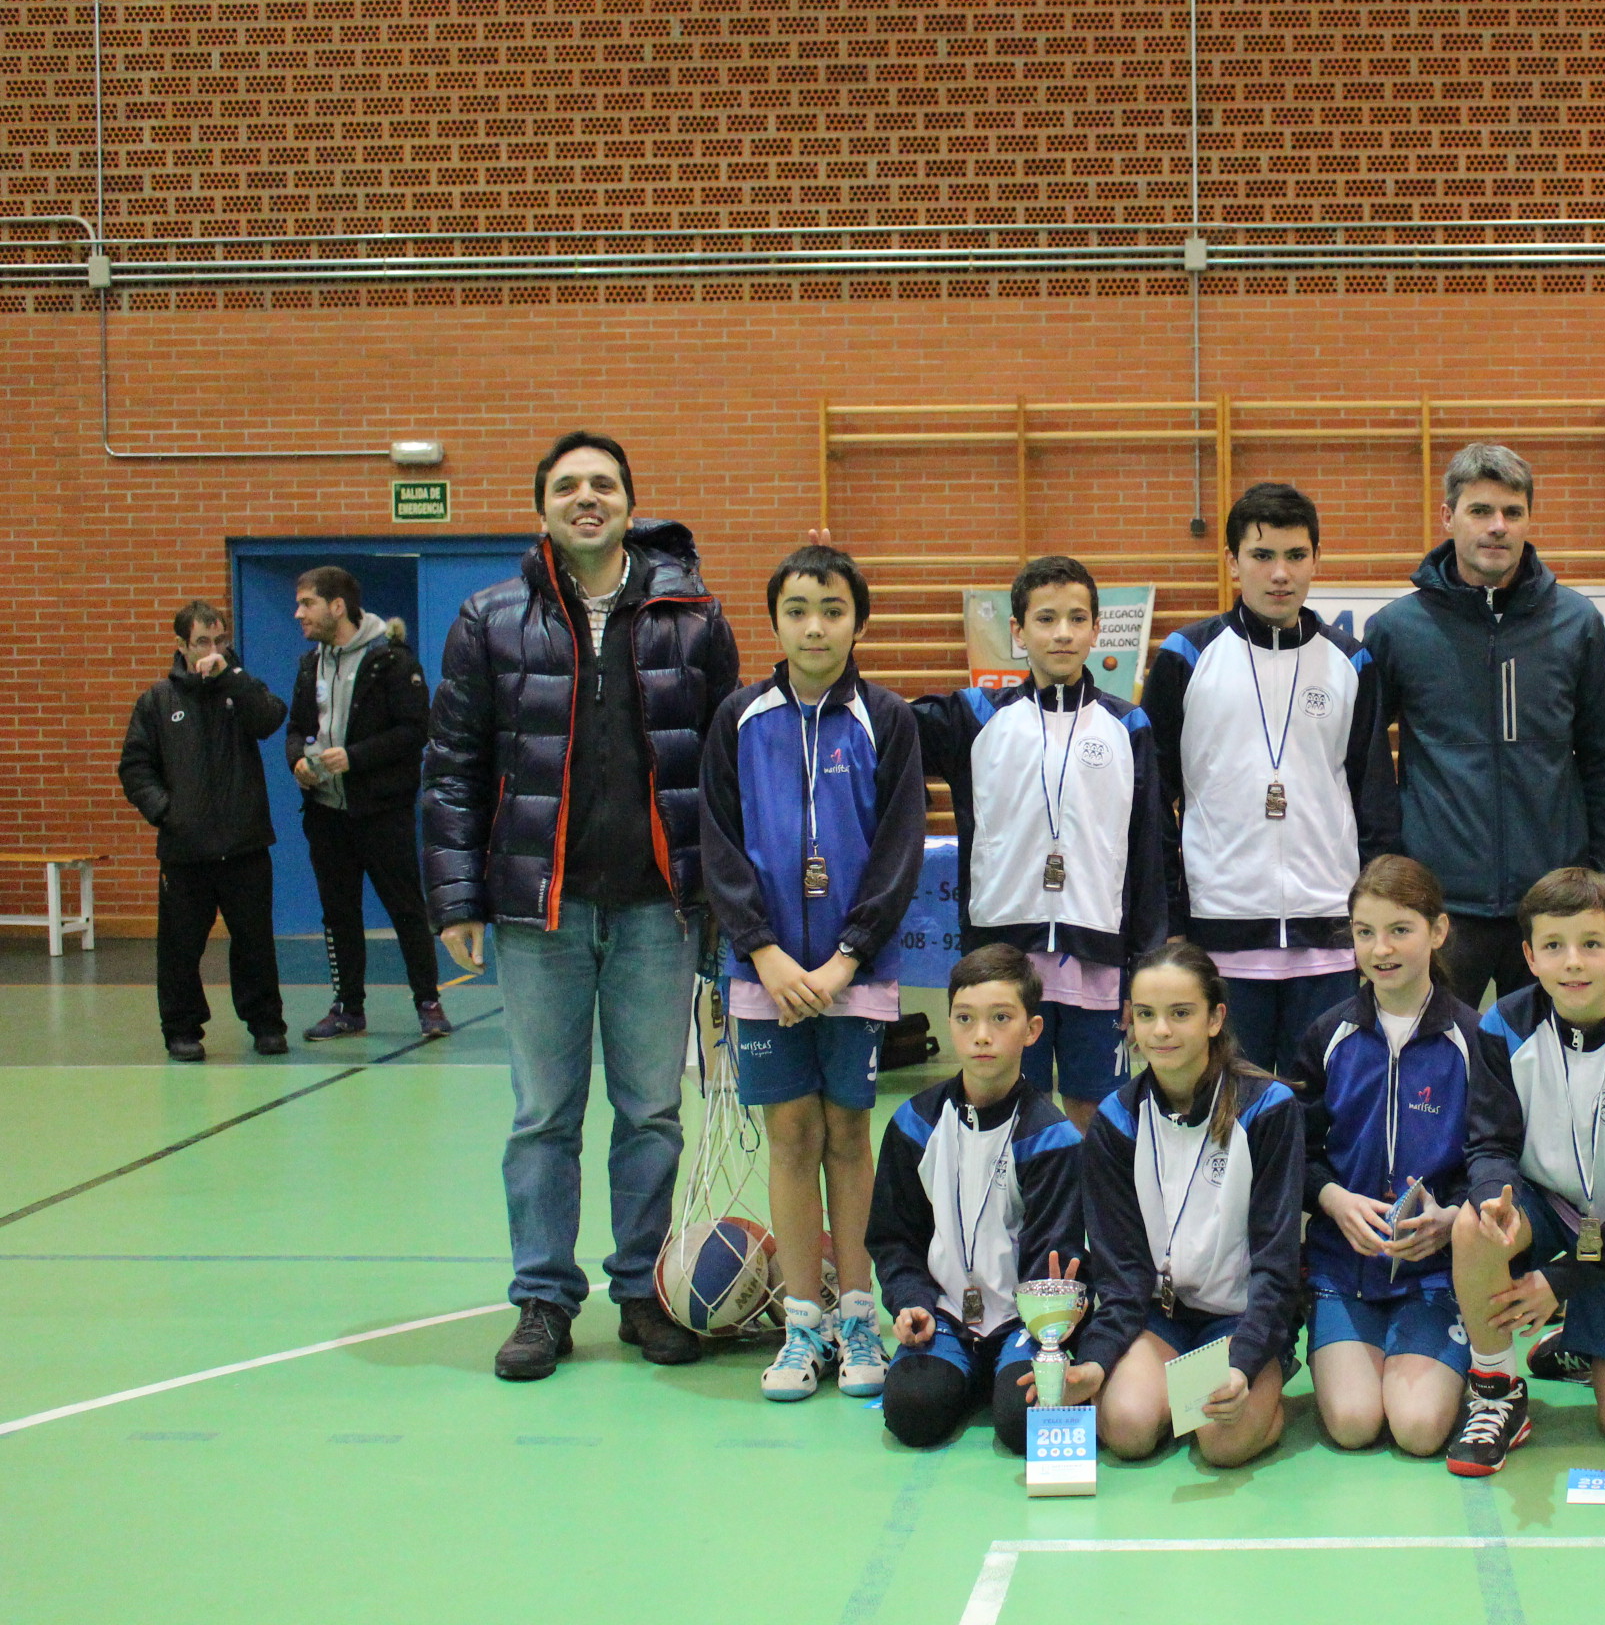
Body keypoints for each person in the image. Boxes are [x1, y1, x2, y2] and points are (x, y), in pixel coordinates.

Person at [422, 430, 741, 1382]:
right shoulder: (490, 618)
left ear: (631, 506)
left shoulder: (694, 617)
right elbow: (453, 770)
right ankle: (543, 1300)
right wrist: (456, 897)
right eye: (568, 486)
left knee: (649, 1110)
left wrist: (721, 901)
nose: (586, 497)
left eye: (604, 483)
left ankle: (641, 1290)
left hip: (657, 912)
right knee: (543, 1115)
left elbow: (722, 771)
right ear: (543, 509)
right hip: (537, 913)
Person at [703, 543, 926, 1400]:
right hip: (764, 971)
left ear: (857, 621)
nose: (815, 625)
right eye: (798, 609)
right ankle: (803, 1323)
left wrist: (844, 960)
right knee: (792, 1138)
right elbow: (719, 847)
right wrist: (762, 948)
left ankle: (858, 1315)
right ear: (776, 621)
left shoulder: (889, 720)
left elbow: (898, 851)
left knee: (848, 1136)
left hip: (853, 973)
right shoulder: (739, 718)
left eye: (832, 609)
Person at [1442, 867, 1605, 1477]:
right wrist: (1491, 1197)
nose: (1572, 962)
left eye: (1591, 944)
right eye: (1553, 946)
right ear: (1528, 956)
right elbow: (1490, 1141)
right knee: (1473, 1226)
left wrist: (1559, 1284)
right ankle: (1496, 1389)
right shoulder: (1501, 1026)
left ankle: (1587, 1340)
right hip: (1544, 1207)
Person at [1366, 444, 1605, 1007]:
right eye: (1480, 511)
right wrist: (1391, 875)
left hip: (1553, 908)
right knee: (1437, 1077)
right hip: (1440, 910)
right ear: (1448, 517)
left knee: (1552, 1079)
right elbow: (1365, 767)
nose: (1497, 527)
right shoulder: (1396, 629)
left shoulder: (1576, 623)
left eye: (1512, 513)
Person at [1144, 482, 1397, 1072]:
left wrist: (1374, 921)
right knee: (1232, 1105)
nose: (1280, 573)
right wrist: (1172, 921)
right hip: (1220, 934)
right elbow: (1154, 801)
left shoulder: (1351, 661)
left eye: (1295, 555)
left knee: (1324, 1111)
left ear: (1316, 559)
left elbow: (1374, 801)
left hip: (1329, 935)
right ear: (1232, 562)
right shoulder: (1187, 656)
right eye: (1261, 556)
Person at [916, 554, 1166, 1128]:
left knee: (1094, 1115)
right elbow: (879, 722)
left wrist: (1143, 969)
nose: (1062, 633)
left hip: (1097, 957)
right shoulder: (976, 718)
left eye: (1078, 619)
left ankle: (1092, 1223)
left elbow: (1148, 854)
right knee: (1009, 1114)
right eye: (1046, 619)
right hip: (1004, 959)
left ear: (1097, 630)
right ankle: (1020, 1223)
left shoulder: (1128, 727)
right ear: (1017, 631)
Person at [1068, 940, 1305, 1467]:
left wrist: (1243, 1364)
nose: (1162, 1031)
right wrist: (1097, 1361)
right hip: (1161, 1318)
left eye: (1180, 1014)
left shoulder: (1269, 1110)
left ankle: (1265, 1391)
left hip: (1240, 1320)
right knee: (1126, 1430)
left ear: (1215, 1018)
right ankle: (1169, 1393)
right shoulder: (1114, 1120)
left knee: (1222, 1444)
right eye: (1146, 1015)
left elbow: (1276, 1260)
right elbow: (1119, 1270)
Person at [1286, 855, 1481, 1458]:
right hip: (1342, 1268)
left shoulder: (1476, 1040)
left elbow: (1499, 1159)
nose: (1381, 948)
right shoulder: (1327, 1036)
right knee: (1352, 1422)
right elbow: (1297, 1153)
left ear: (1438, 932)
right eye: (1365, 932)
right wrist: (1331, 1198)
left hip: (1435, 1272)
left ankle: (1475, 1375)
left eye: (1400, 929)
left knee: (1419, 1430)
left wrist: (1454, 1220)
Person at [868, 943, 1087, 1452]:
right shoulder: (914, 1124)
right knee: (911, 1414)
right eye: (965, 1018)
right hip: (944, 1313)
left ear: (1032, 1031)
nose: (982, 1035)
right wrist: (911, 1305)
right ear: (949, 1023)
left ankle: (993, 1375)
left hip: (1022, 1319)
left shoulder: (1052, 1137)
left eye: (1001, 1018)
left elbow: (1055, 1254)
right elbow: (894, 1237)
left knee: (1021, 1426)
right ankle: (962, 1372)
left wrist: (1041, 1334)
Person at [283, 566, 451, 1043]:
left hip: (382, 812)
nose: (299, 614)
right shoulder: (308, 665)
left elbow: (415, 731)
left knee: (404, 908)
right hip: (325, 813)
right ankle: (347, 1007)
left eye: (307, 603)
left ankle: (429, 1002)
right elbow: (296, 727)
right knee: (338, 913)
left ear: (337, 606)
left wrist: (353, 757)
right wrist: (298, 759)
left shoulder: (392, 662)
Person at [120, 601, 289, 1062]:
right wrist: (166, 811)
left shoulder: (241, 691)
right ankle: (181, 1028)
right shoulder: (158, 701)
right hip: (185, 848)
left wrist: (231, 676)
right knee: (180, 948)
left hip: (245, 843)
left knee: (255, 942)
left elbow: (271, 719)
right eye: (202, 642)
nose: (212, 650)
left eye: (220, 640)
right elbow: (135, 767)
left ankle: (266, 1023)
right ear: (182, 646)